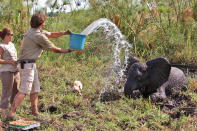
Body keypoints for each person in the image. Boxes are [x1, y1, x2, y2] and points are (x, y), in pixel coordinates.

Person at [7, 13, 77, 120]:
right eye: (44, 22)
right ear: (42, 24)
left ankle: (35, 112)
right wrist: (69, 50)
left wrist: (64, 33)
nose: (45, 24)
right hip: (27, 65)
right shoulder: (38, 36)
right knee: (24, 90)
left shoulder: (33, 30)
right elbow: (55, 49)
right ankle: (11, 114)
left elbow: (51, 34)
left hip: (29, 64)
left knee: (35, 89)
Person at [0, 28, 20, 121]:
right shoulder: (1, 46)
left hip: (15, 70)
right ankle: (3, 116)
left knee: (16, 91)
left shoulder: (12, 44)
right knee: (7, 92)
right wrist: (10, 62)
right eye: (10, 35)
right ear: (5, 36)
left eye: (12, 35)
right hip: (6, 71)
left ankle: (12, 113)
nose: (12, 36)